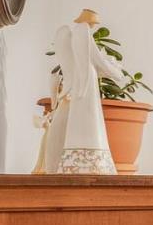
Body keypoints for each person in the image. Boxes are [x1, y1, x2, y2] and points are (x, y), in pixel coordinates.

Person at [35, 9, 126, 174]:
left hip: (77, 84)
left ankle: (74, 160)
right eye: (93, 22)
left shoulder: (69, 39)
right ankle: (93, 159)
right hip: (87, 82)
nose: (93, 25)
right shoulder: (83, 33)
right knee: (89, 118)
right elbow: (99, 61)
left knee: (78, 120)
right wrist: (117, 73)